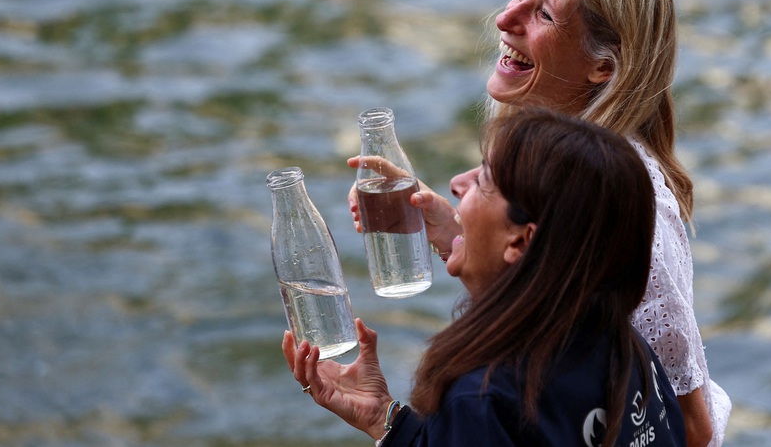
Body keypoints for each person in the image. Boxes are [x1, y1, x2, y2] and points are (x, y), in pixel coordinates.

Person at [348, 0, 730, 447]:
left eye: (544, 14)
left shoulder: (631, 202)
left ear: (603, 66)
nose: (504, 19)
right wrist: (454, 231)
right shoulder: (559, 167)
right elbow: (565, 319)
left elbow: (690, 427)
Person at [286, 109, 687, 447]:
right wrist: (384, 418)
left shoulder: (484, 400)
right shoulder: (628, 350)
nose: (457, 184)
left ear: (520, 241)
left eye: (483, 180)